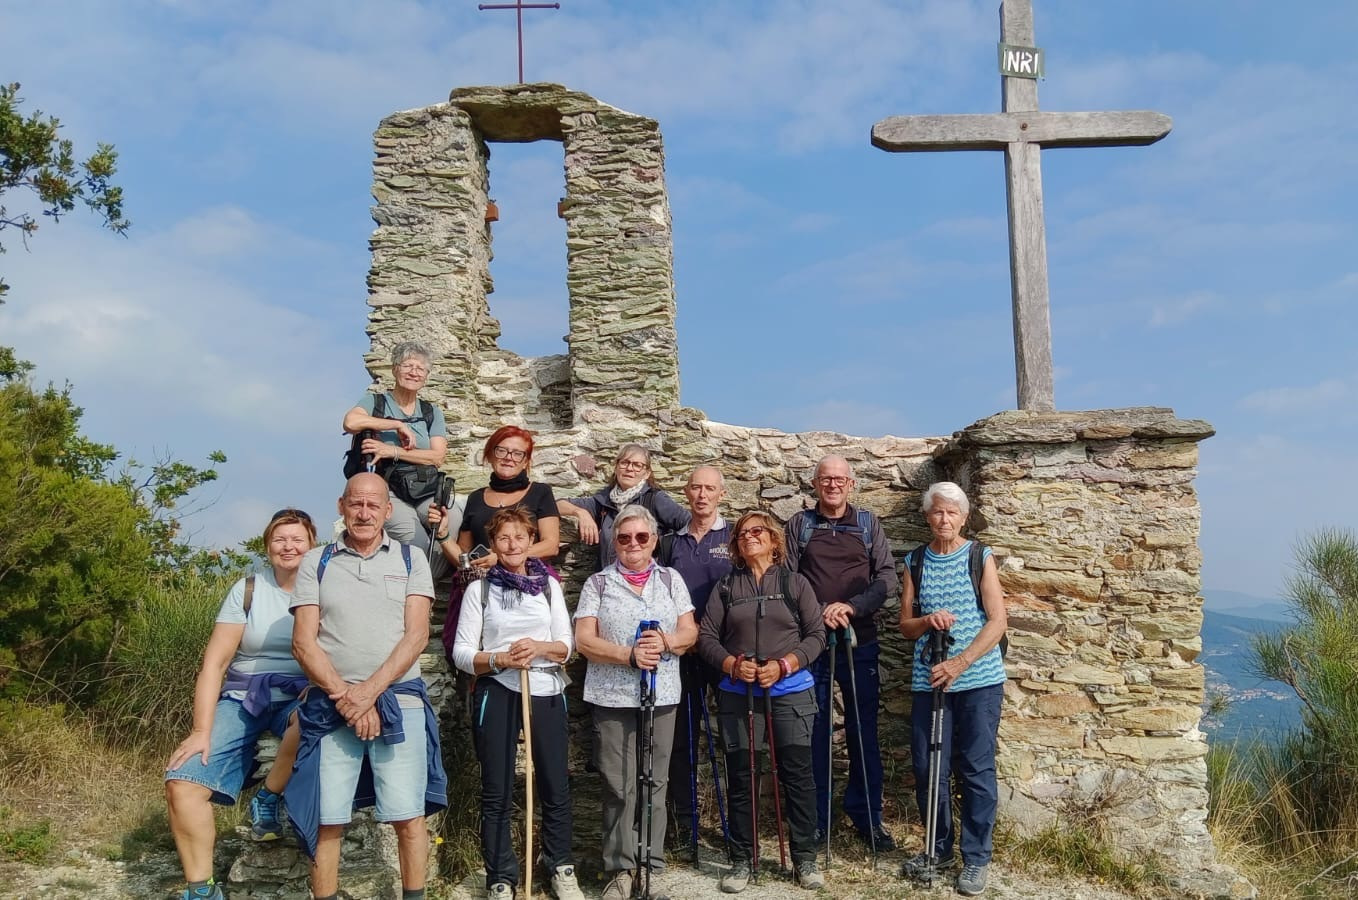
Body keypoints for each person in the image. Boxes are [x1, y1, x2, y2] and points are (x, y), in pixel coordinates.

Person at [287, 473, 447, 900]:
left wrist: (369, 692)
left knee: (408, 815)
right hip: (332, 705)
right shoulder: (316, 562)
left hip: (398, 701)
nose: (364, 513)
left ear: (387, 511)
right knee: (327, 818)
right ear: (341, 507)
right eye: (356, 503)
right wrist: (349, 698)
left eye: (373, 505)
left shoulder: (412, 560)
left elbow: (416, 636)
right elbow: (303, 643)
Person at [165, 508, 317, 900]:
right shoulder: (248, 589)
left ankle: (267, 798)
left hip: (300, 694)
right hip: (243, 697)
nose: (288, 547)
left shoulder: (325, 588)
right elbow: (213, 664)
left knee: (312, 718)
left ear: (312, 545)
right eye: (279, 539)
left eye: (297, 539)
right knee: (181, 782)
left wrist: (319, 683)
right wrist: (201, 731)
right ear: (267, 546)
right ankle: (201, 889)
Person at [450, 507, 584, 900]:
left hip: (545, 688)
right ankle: (501, 876)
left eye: (520, 537)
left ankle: (560, 866)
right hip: (498, 689)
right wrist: (500, 659)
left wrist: (540, 647)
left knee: (555, 782)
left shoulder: (549, 586)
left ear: (531, 541)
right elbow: (462, 653)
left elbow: (566, 646)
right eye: (504, 538)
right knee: (496, 787)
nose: (512, 545)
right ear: (494, 544)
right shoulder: (480, 590)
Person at [697, 510, 826, 893]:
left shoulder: (795, 583)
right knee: (741, 777)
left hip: (791, 692)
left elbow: (816, 635)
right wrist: (732, 665)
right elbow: (706, 637)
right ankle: (742, 859)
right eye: (742, 534)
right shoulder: (726, 586)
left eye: (757, 531)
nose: (749, 537)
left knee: (797, 776)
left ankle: (804, 858)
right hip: (740, 694)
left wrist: (784, 665)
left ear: (773, 540)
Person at [574, 505, 698, 900]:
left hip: (662, 694)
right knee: (619, 784)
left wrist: (666, 642)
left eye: (642, 537)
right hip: (612, 696)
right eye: (625, 537)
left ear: (654, 541)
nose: (633, 544)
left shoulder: (671, 580)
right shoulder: (598, 583)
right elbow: (584, 640)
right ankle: (620, 869)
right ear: (614, 543)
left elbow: (689, 632)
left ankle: (651, 867)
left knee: (655, 782)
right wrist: (627, 655)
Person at [783, 455, 899, 850]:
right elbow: (789, 580)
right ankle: (816, 820)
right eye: (825, 479)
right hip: (812, 643)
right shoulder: (800, 525)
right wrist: (819, 611)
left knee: (862, 730)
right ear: (815, 484)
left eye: (839, 479)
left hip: (859, 639)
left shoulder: (867, 524)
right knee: (813, 730)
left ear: (851, 484)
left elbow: (886, 578)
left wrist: (851, 607)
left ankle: (868, 817)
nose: (833, 485)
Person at [897, 482, 1006, 897]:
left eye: (952, 512)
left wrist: (961, 663)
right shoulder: (915, 561)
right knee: (929, 768)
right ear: (928, 517)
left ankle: (976, 858)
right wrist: (928, 621)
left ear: (963, 517)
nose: (944, 519)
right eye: (937, 512)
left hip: (978, 681)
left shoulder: (979, 556)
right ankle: (937, 849)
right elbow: (906, 627)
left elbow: (997, 620)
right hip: (929, 681)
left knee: (976, 768)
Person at [660, 466, 734, 848]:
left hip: (726, 653)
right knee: (682, 741)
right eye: (696, 488)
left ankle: (738, 830)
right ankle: (685, 828)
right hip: (683, 653)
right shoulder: (670, 543)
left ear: (722, 494)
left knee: (735, 739)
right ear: (686, 492)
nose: (702, 495)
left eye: (710, 488)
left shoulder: (735, 537)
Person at [342, 341, 449, 554]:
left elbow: (437, 457)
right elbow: (350, 423)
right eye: (407, 366)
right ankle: (420, 574)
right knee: (417, 543)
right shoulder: (376, 402)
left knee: (449, 530)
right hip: (387, 489)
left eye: (420, 369)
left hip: (423, 488)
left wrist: (391, 451)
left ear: (426, 376)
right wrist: (396, 424)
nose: (414, 372)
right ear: (394, 369)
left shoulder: (431, 412)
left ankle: (428, 574)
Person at [429, 425, 560, 571]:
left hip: (528, 577)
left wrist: (501, 558)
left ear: (525, 462)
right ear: (490, 455)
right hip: (484, 580)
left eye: (517, 454)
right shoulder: (476, 498)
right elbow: (464, 557)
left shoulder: (540, 492)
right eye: (501, 451)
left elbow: (551, 545)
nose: (508, 457)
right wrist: (443, 534)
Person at [559, 443, 690, 571]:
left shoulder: (655, 499)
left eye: (637, 465)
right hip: (610, 580)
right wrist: (580, 512)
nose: (629, 468)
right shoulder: (604, 500)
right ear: (616, 468)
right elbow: (557, 504)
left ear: (646, 473)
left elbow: (690, 524)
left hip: (646, 580)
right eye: (624, 463)